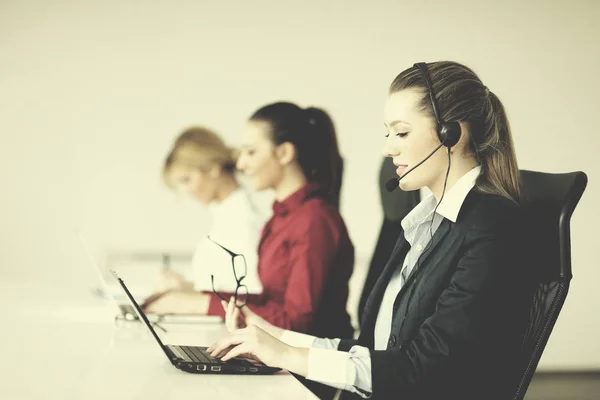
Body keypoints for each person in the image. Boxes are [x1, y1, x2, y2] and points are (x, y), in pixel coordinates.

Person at [208, 62, 534, 400]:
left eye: (402, 132)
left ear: (451, 133)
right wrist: (274, 336)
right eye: (387, 133)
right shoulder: (427, 225)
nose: (388, 148)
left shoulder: (491, 228)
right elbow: (372, 350)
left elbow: (424, 369)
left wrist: (289, 356)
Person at [203, 102, 354, 340]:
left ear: (284, 153)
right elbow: (271, 301)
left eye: (250, 152)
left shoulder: (313, 220)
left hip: (307, 365)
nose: (241, 164)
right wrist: (206, 300)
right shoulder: (282, 217)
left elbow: (296, 322)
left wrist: (209, 306)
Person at [144, 126, 266, 314]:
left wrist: (184, 299)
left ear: (212, 169)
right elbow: (223, 287)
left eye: (187, 180)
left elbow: (251, 297)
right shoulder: (224, 214)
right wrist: (185, 287)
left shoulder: (243, 222)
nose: (186, 191)